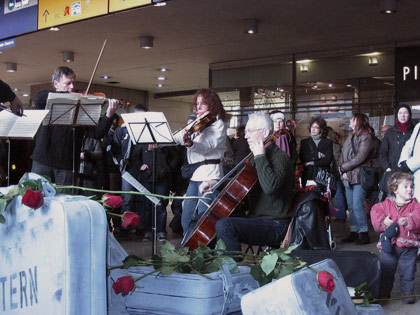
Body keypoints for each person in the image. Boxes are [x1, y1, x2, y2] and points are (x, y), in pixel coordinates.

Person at [215, 113, 294, 252]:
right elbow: (243, 182)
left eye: (250, 131)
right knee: (215, 216)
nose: (246, 136)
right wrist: (216, 182)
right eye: (246, 132)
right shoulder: (255, 157)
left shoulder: (280, 158)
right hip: (256, 218)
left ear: (265, 132)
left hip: (276, 224)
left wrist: (260, 156)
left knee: (225, 226)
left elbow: (270, 188)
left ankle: (235, 269)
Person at [30, 66, 118, 185]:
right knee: (37, 197)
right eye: (68, 83)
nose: (72, 87)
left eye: (73, 83)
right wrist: (65, 96)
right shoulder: (47, 98)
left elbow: (97, 133)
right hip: (43, 159)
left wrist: (109, 114)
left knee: (64, 200)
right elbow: (38, 98)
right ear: (56, 84)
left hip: (67, 163)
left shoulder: (80, 107)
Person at [173, 88, 227, 235]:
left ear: (212, 104)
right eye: (197, 104)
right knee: (186, 214)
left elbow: (207, 147)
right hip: (195, 174)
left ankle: (203, 250)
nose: (199, 107)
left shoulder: (218, 124)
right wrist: (163, 139)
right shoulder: (198, 122)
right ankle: (188, 243)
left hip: (210, 175)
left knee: (204, 216)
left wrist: (191, 144)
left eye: (203, 103)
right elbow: (178, 137)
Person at [371, 172, 420, 304]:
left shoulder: (416, 206)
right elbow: (375, 211)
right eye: (406, 186)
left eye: (412, 186)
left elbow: (419, 218)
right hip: (389, 246)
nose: (410, 189)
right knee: (386, 270)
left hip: (408, 247)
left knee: (408, 270)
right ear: (395, 189)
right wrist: (383, 221)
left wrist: (409, 220)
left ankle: (407, 293)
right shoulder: (385, 204)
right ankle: (384, 292)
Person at [340, 113, 375, 245]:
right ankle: (354, 231)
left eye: (352, 119)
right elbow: (343, 154)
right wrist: (342, 169)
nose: (349, 121)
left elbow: (361, 156)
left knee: (357, 205)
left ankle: (364, 233)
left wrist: (344, 168)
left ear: (358, 121)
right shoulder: (351, 136)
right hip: (348, 176)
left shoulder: (366, 136)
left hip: (359, 176)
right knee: (351, 206)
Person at [380, 105, 415, 194]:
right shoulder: (390, 132)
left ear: (409, 115)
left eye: (405, 113)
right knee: (392, 200)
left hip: (410, 173)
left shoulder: (415, 132)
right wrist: (387, 168)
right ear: (397, 115)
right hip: (393, 173)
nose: (402, 115)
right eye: (400, 113)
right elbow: (383, 152)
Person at [299, 117, 333, 187]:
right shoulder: (304, 142)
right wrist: (318, 155)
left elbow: (327, 161)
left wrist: (312, 162)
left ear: (321, 129)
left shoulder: (328, 142)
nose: (313, 129)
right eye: (312, 127)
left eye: (316, 127)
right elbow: (303, 157)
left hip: (322, 177)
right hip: (308, 176)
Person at [327, 127, 347, 222]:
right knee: (338, 193)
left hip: (333, 172)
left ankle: (340, 215)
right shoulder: (336, 143)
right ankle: (341, 215)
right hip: (337, 171)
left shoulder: (331, 144)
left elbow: (335, 159)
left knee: (337, 193)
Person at [398, 121, 420, 201]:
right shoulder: (418, 125)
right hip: (415, 173)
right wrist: (403, 160)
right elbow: (410, 144)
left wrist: (409, 165)